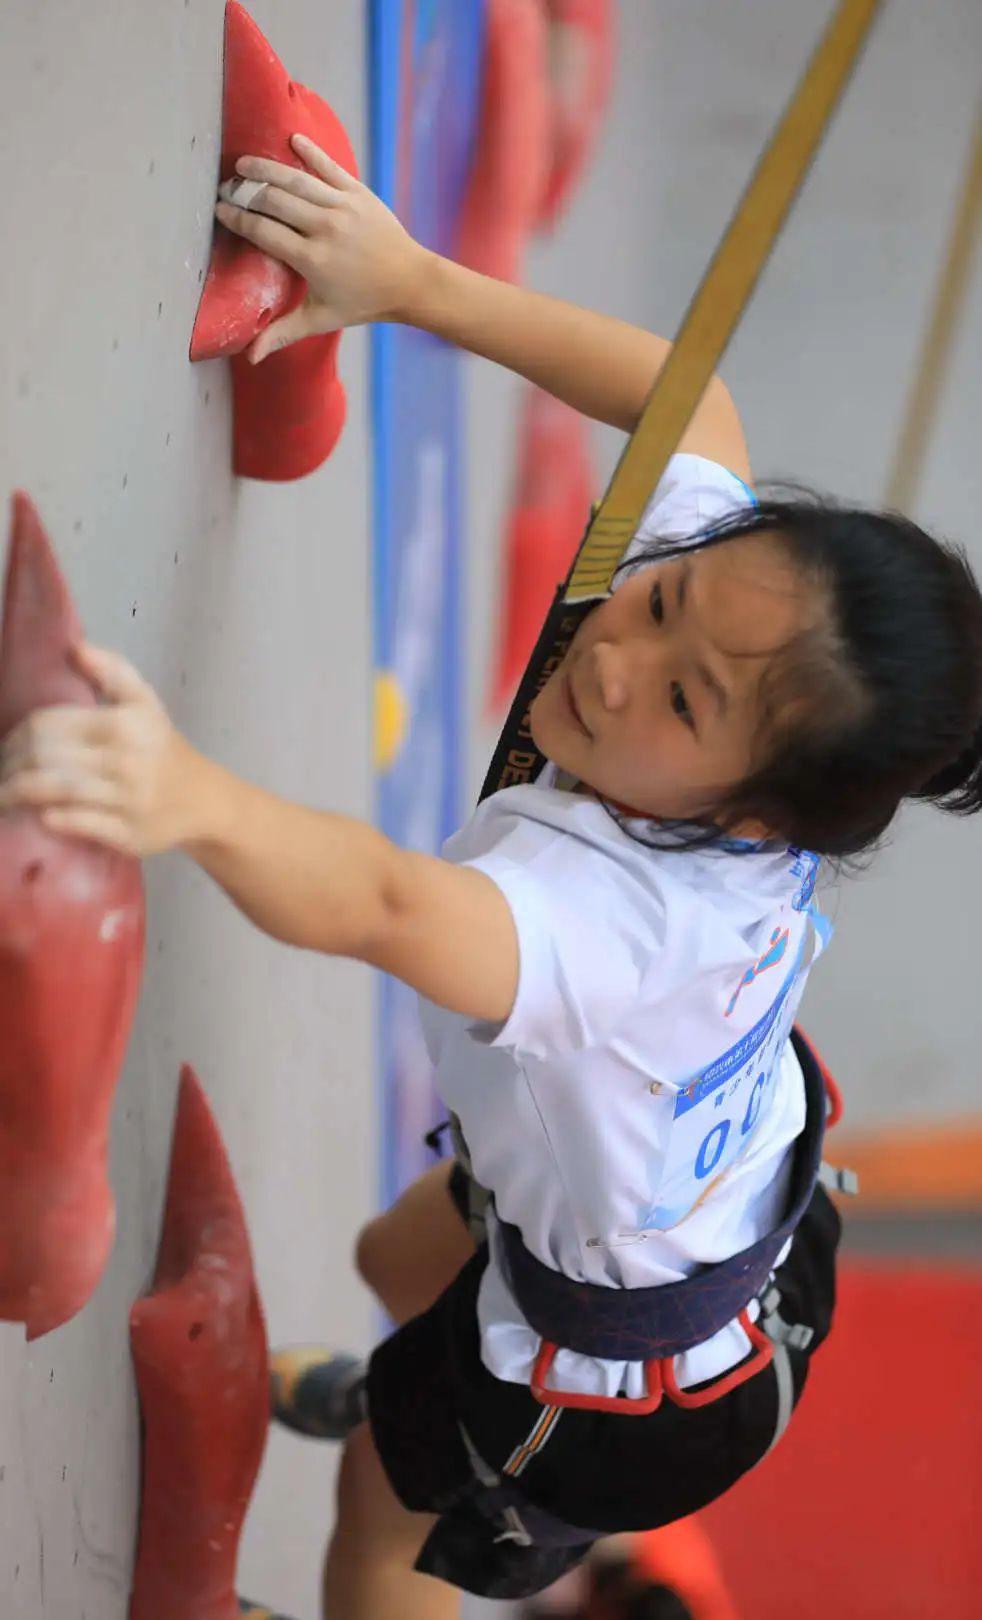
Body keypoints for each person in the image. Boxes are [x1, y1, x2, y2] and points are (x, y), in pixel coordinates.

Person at [4, 134, 982, 1620]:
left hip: (626, 1385)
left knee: (382, 1515)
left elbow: (386, 904)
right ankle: (434, 1390)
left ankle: (450, 1463)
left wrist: (185, 795)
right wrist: (408, 282)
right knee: (393, 1251)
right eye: (661, 597)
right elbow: (690, 404)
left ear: (760, 822)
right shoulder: (736, 649)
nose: (617, 656)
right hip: (709, 1221)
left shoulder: (613, 927)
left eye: (682, 700)